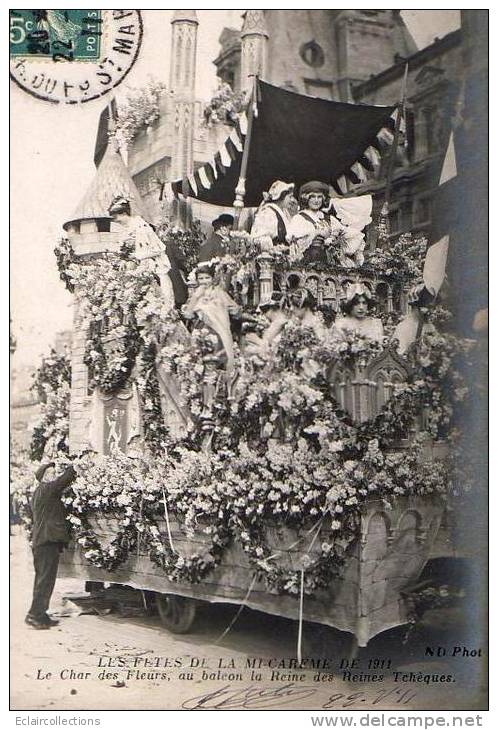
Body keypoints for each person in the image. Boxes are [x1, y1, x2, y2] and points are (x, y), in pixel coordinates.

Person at [25, 462, 77, 630]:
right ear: (44, 477)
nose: (54, 475)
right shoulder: (46, 489)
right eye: (51, 473)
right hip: (46, 542)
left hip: (44, 542)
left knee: (44, 580)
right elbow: (64, 480)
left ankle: (41, 614)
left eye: (55, 472)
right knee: (44, 580)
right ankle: (34, 615)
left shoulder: (42, 493)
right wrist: (76, 464)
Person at [108, 196, 175, 312]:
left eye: (116, 217)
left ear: (124, 213)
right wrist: (125, 259)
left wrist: (138, 256)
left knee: (161, 304)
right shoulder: (126, 230)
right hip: (139, 271)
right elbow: (127, 250)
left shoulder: (141, 226)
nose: (115, 221)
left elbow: (159, 249)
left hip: (155, 269)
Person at [182, 263, 241, 372]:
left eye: (207, 278)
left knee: (217, 363)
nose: (204, 281)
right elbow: (188, 315)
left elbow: (235, 310)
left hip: (218, 333)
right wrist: (196, 297)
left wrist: (222, 311)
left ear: (212, 278)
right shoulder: (195, 294)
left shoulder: (219, 292)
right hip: (200, 331)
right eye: (201, 278)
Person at [250, 180, 296, 250]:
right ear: (281, 196)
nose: (292, 200)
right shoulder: (268, 213)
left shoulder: (285, 211)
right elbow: (260, 238)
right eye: (290, 197)